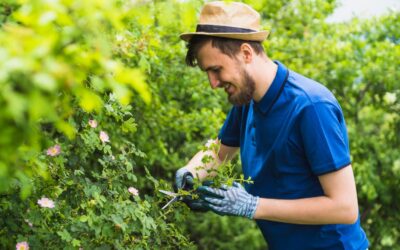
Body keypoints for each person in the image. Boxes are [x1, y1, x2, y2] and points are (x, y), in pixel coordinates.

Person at [175, 1, 369, 249]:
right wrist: (190, 173)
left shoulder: (311, 107)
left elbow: (344, 208)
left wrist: (253, 206)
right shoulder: (247, 100)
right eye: (207, 73)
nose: (213, 83)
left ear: (246, 53)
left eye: (216, 69)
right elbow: (221, 152)